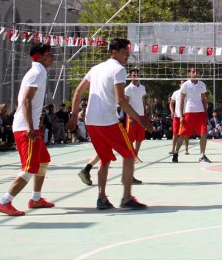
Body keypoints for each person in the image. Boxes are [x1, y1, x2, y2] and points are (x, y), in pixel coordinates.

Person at [71, 38, 153, 210]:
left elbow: (78, 91)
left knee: (105, 158)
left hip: (91, 121)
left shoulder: (96, 68)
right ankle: (127, 197)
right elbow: (121, 100)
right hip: (107, 121)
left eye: (128, 53)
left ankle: (101, 198)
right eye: (125, 53)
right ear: (114, 52)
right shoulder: (119, 70)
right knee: (130, 154)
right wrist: (140, 119)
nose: (127, 56)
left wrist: (73, 116)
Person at [0, 43, 69, 216]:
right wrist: (29, 126)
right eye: (49, 54)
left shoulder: (40, 71)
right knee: (29, 168)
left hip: (31, 126)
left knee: (43, 161)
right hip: (25, 128)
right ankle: (4, 201)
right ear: (39, 57)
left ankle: (36, 199)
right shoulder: (36, 72)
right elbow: (27, 100)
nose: (53, 57)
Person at [172, 67, 210, 163]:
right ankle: (176, 153)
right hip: (188, 112)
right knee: (182, 134)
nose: (195, 73)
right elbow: (180, 102)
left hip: (200, 113)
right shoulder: (185, 85)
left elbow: (203, 100)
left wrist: (206, 114)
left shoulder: (202, 85)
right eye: (193, 71)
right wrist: (181, 116)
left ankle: (202, 155)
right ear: (189, 73)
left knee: (204, 133)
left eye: (196, 71)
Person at [124, 69, 148, 162]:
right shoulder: (127, 88)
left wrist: (145, 115)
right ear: (130, 76)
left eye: (137, 74)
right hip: (132, 116)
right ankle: (131, 156)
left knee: (140, 138)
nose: (135, 76)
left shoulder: (142, 87)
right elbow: (126, 103)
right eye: (134, 75)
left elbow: (143, 101)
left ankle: (135, 155)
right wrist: (129, 117)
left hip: (141, 116)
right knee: (130, 138)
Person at [169, 81, 189, 154]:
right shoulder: (175, 92)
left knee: (185, 134)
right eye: (181, 83)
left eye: (184, 83)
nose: (183, 84)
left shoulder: (188, 93)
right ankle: (172, 149)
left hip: (185, 115)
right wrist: (172, 112)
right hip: (177, 116)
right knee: (175, 134)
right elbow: (171, 103)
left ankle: (186, 149)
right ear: (179, 84)